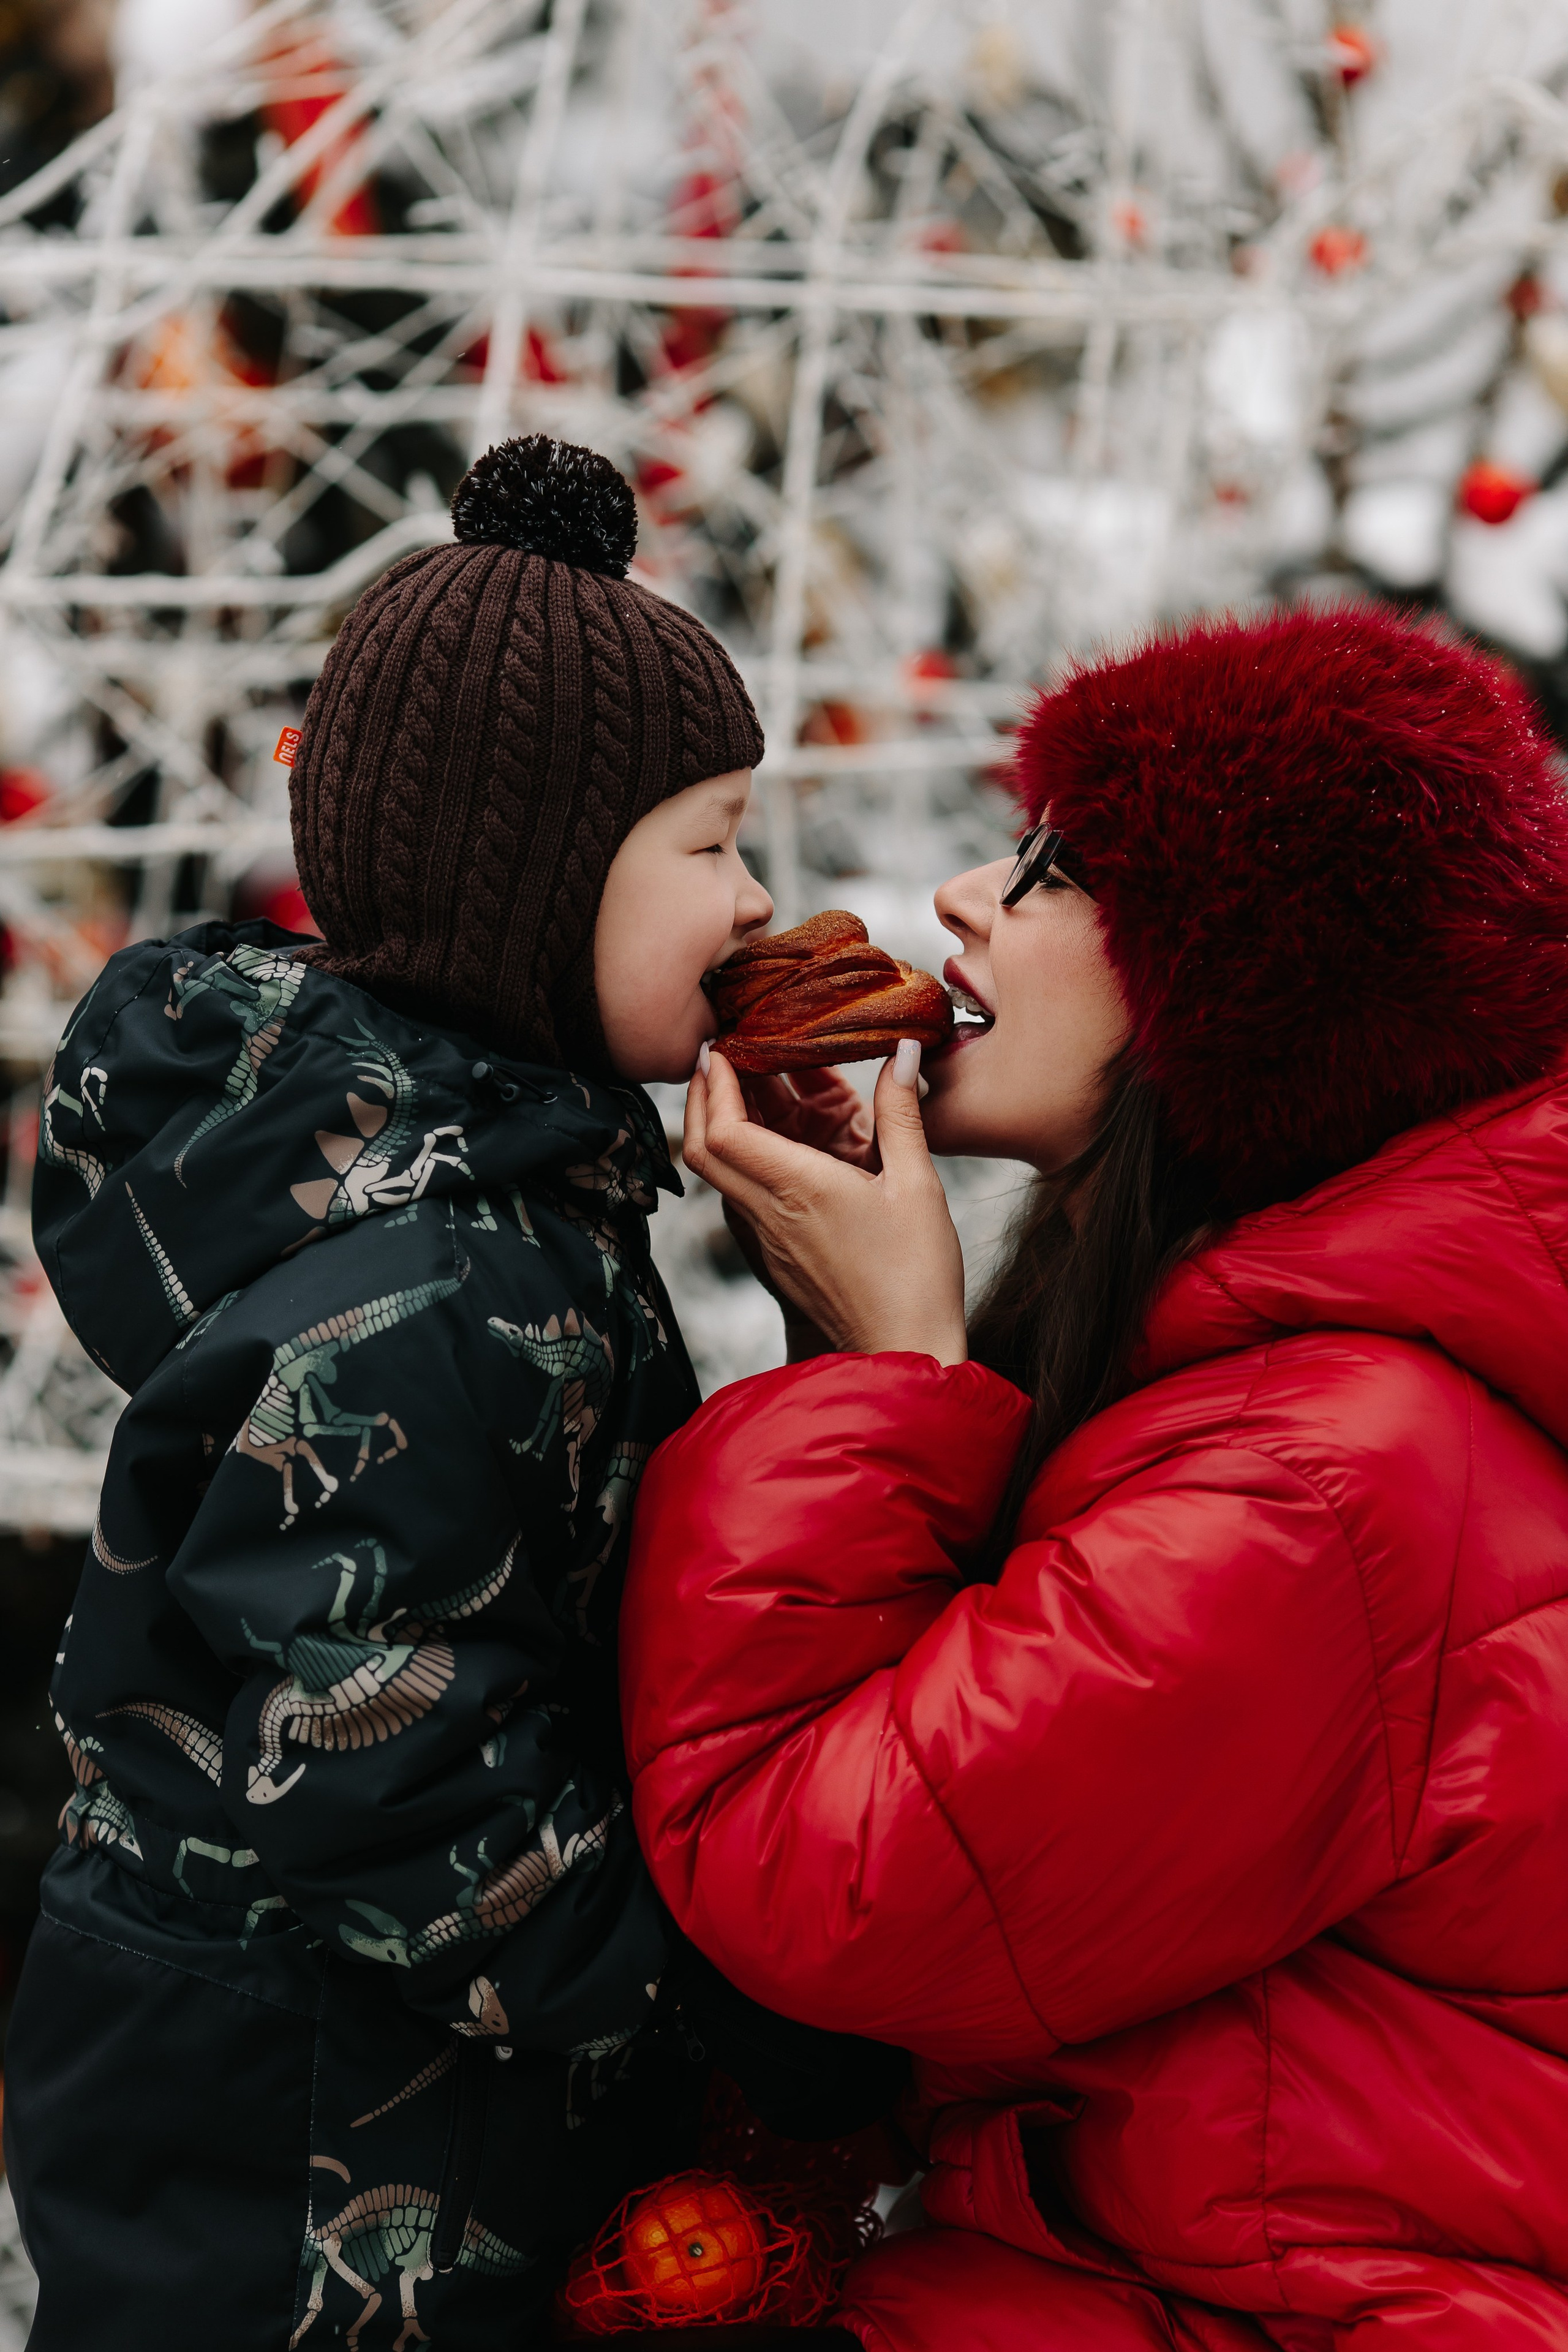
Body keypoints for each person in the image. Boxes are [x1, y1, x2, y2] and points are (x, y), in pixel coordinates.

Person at [3, 436, 897, 2352]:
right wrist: (678, 2009)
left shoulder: (494, 1188)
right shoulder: (432, 1278)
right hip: (305, 2126)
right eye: (712, 841)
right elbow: (380, 1750)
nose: (754, 906)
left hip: (351, 2060)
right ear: (534, 882)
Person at [620, 605, 1568, 2350]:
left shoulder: (1329, 1484)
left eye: (1059, 870)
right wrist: (862, 1356)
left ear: (1245, 980)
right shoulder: (1274, 1383)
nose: (968, 897)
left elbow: (818, 1888)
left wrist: (898, 1376)